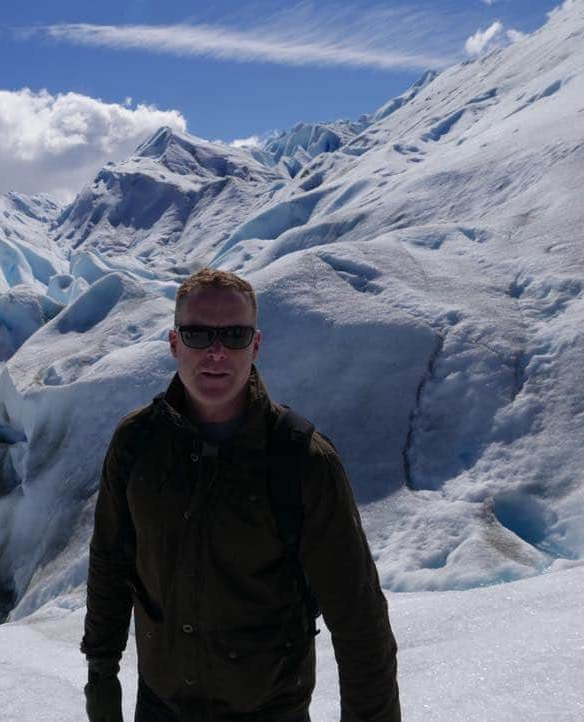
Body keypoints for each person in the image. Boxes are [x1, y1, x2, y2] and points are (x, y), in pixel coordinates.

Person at [81, 269, 400, 722]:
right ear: (174, 344)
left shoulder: (301, 459)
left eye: (234, 335)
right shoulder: (136, 444)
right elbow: (111, 566)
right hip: (161, 707)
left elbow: (359, 621)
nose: (216, 351)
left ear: (255, 345)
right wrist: (102, 681)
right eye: (198, 334)